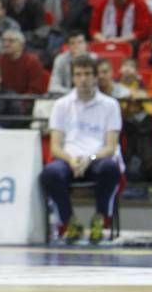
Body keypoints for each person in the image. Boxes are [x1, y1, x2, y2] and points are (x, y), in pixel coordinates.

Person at [41, 54, 123, 244]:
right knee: (50, 173)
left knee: (110, 168)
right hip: (69, 159)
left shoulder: (110, 105)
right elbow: (55, 147)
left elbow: (110, 147)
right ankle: (70, 222)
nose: (83, 79)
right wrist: (71, 159)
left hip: (97, 159)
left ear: (96, 77)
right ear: (72, 78)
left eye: (87, 74)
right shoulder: (61, 105)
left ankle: (100, 219)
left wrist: (89, 158)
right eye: (78, 74)